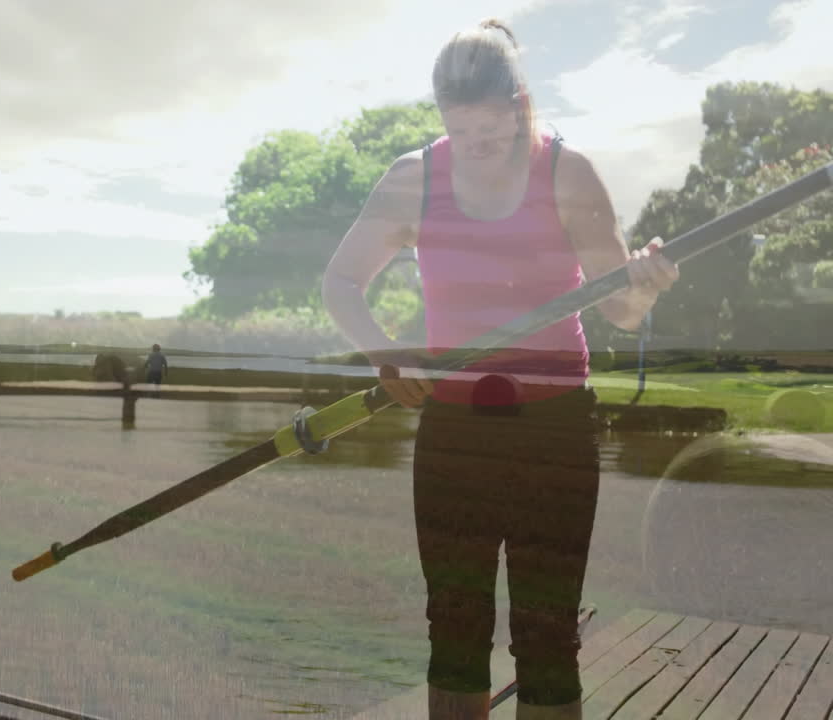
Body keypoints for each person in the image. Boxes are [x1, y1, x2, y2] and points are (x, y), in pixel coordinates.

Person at [322, 18, 679, 720]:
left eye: (491, 129)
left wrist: (646, 281)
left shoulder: (568, 173)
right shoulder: (413, 179)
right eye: (461, 132)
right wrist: (386, 351)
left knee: (547, 635)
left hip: (554, 430)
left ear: (520, 105)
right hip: (455, 428)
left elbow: (624, 312)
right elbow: (340, 283)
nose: (477, 147)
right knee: (453, 629)